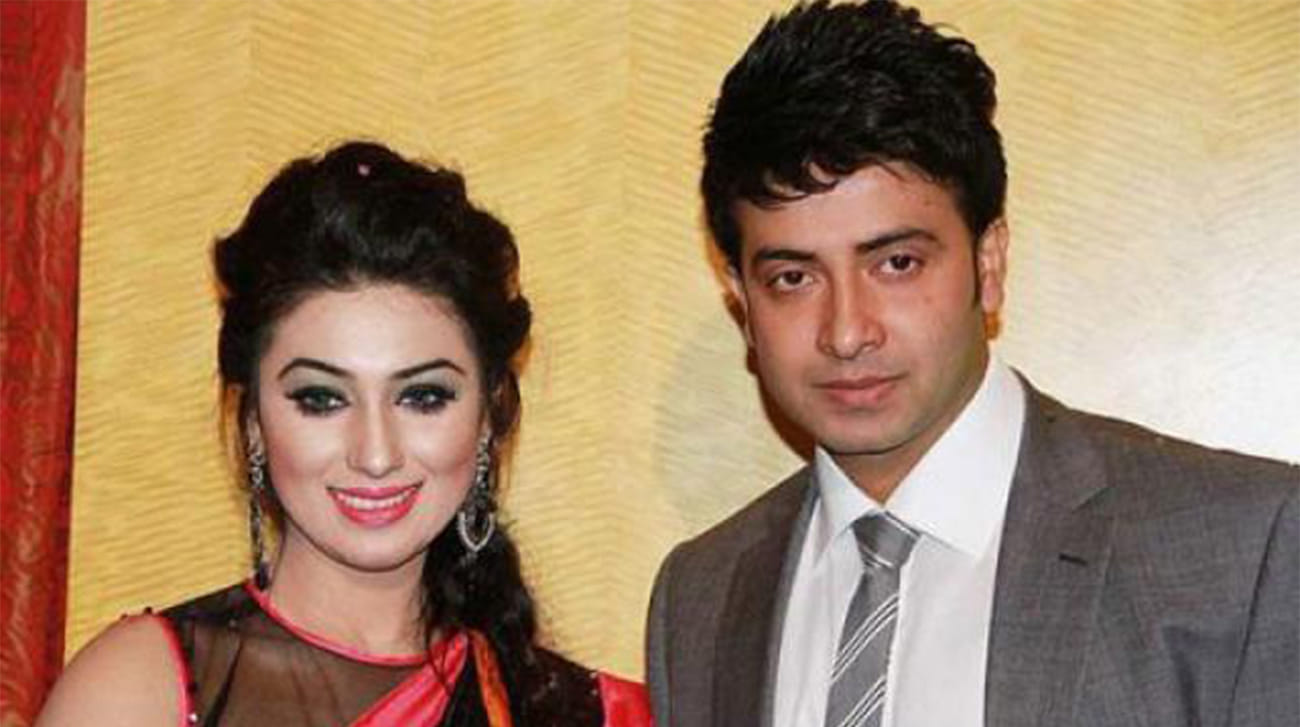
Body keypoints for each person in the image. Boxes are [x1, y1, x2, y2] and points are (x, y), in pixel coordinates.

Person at [645, 2, 1299, 726]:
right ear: (742, 300)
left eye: (896, 263)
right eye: (793, 278)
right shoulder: (697, 597)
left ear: (989, 262)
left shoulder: (1245, 550)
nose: (847, 332)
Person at [39, 141, 651, 727]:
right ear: (254, 422)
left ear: (489, 415)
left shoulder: (596, 715)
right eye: (322, 399)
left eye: (423, 397)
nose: (375, 454)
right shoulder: (139, 687)